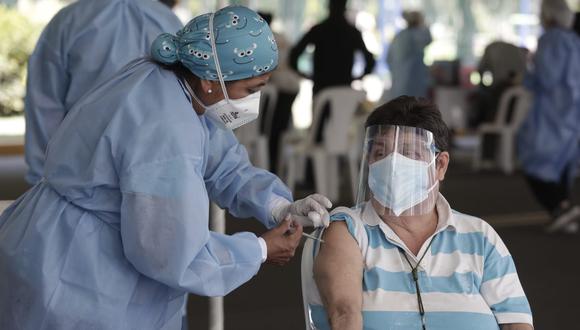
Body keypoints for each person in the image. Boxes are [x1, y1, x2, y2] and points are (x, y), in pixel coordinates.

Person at [0, 6, 332, 329]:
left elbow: (224, 163)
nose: (253, 102)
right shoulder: (166, 131)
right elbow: (173, 252)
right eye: (251, 89)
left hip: (64, 238)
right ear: (211, 81)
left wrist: (279, 205)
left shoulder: (170, 84)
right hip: (76, 271)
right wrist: (259, 249)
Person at [303, 97, 533, 330]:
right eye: (380, 153)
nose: (392, 165)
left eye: (409, 153)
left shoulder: (480, 236)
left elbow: (516, 323)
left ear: (440, 165)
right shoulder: (349, 230)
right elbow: (344, 314)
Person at [24, 0, 184, 185]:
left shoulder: (68, 21)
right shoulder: (168, 21)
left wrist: (41, 179)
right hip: (157, 171)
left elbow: (44, 107)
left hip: (80, 174)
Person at [516, 0, 580, 233]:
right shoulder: (574, 40)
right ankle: (563, 209)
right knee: (563, 163)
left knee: (534, 161)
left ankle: (558, 206)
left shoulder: (551, 40)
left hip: (552, 113)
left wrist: (529, 63)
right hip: (572, 115)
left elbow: (546, 78)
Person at [289, 0, 375, 142]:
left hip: (321, 86)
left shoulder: (319, 29)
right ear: (344, 9)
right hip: (344, 87)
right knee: (340, 128)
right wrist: (357, 77)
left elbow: (294, 54)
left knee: (318, 128)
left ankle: (314, 162)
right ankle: (338, 161)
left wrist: (303, 74)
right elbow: (370, 61)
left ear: (328, 8)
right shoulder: (352, 32)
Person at [258, 11, 301, 174]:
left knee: (270, 131)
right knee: (280, 130)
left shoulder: (259, 38)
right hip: (292, 87)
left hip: (279, 89)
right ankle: (276, 165)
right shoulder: (281, 37)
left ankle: (271, 165)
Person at [387, 11, 432, 100]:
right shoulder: (416, 35)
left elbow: (388, 59)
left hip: (399, 85)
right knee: (413, 109)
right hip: (412, 84)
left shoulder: (399, 36)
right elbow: (428, 38)